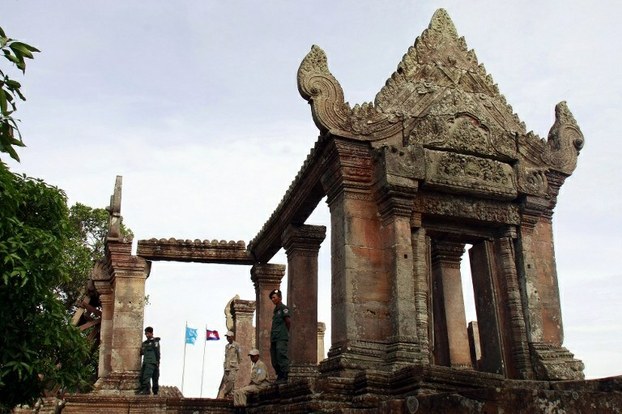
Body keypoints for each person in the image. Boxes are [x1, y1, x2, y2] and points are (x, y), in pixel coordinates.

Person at [269, 288, 290, 382]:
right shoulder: (275, 311)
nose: (272, 299)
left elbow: (288, 321)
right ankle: (279, 375)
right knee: (274, 358)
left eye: (274, 297)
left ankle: (284, 375)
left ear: (280, 298)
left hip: (281, 337)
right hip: (274, 338)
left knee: (281, 355)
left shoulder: (283, 308)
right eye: (272, 298)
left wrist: (285, 332)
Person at [217, 330, 241, 399]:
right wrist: (225, 366)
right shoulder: (226, 346)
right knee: (227, 380)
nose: (227, 338)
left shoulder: (236, 345)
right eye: (227, 337)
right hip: (227, 366)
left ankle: (224, 392)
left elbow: (239, 355)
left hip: (233, 366)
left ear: (232, 337)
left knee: (231, 380)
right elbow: (226, 356)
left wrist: (237, 364)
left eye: (229, 337)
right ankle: (231, 393)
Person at [136, 326, 160, 395]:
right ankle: (143, 389)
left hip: (152, 362)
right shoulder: (145, 343)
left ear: (151, 333)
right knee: (142, 376)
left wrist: (158, 362)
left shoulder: (155, 341)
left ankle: (148, 390)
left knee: (148, 376)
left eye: (147, 333)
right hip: (146, 362)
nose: (146, 335)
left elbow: (157, 352)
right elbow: (142, 352)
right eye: (145, 334)